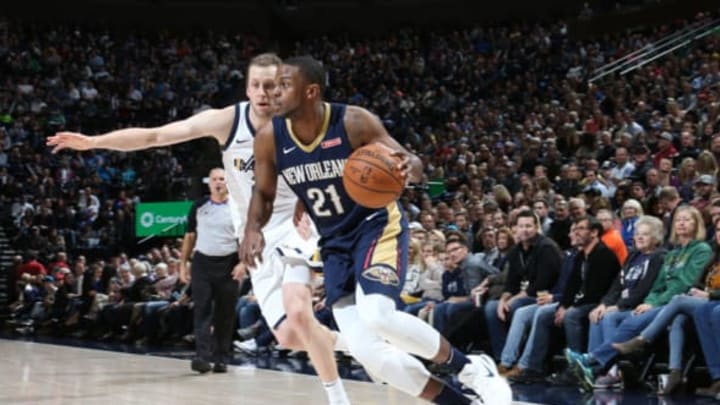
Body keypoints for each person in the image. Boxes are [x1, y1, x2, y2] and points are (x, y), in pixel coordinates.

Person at [47, 53, 350, 405]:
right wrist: (95, 142)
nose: (264, 92)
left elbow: (337, 162)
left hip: (295, 224)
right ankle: (355, 345)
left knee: (299, 313)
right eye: (256, 85)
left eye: (271, 85)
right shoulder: (227, 121)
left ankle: (338, 397)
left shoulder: (302, 119)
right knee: (289, 336)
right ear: (247, 88)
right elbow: (155, 136)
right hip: (254, 235)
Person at [239, 56, 511, 405]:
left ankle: (472, 369)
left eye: (283, 84)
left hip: (375, 226)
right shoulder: (269, 138)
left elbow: (412, 162)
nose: (273, 92)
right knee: (369, 353)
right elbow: (262, 193)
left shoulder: (353, 121)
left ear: (311, 91)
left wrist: (406, 167)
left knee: (377, 315)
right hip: (333, 242)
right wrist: (251, 230)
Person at [566, 205, 712, 393]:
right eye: (678, 219)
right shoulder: (673, 252)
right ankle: (596, 367)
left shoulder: (700, 249)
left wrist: (652, 303)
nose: (681, 223)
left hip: (680, 302)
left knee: (628, 317)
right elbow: (656, 285)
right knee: (604, 315)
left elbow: (684, 282)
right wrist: (648, 301)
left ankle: (595, 360)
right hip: (661, 303)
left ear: (697, 224)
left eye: (687, 219)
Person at [179, 168, 240, 373]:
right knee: (202, 310)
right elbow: (189, 236)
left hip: (229, 263)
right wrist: (182, 264)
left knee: (225, 313)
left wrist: (244, 263)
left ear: (228, 181)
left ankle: (221, 358)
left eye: (222, 179)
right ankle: (202, 357)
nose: (218, 182)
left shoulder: (238, 205)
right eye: (214, 179)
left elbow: (247, 236)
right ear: (209, 183)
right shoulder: (198, 206)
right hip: (202, 263)